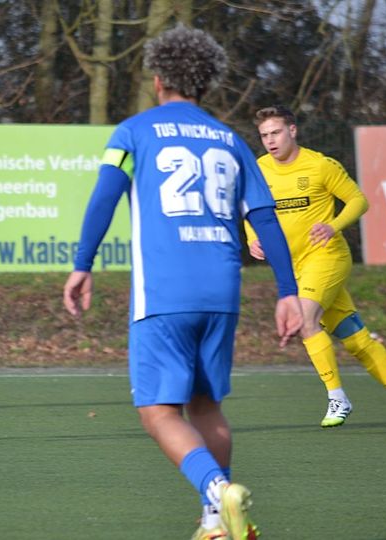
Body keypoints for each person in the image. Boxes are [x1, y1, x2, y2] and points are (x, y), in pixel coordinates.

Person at [62, 25, 302, 540]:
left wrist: (83, 264)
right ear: (206, 83)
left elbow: (104, 197)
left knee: (157, 411)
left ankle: (217, 491)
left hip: (164, 293)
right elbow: (265, 219)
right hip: (222, 292)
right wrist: (288, 292)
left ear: (158, 79)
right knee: (207, 405)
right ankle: (215, 524)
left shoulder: (133, 132)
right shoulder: (232, 141)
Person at [247, 105, 386, 432]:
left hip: (327, 257)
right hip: (293, 267)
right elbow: (250, 209)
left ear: (292, 130)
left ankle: (337, 398)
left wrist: (333, 226)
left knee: (305, 319)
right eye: (264, 135)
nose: (270, 140)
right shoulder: (258, 169)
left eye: (276, 132)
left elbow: (358, 200)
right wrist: (251, 238)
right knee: (355, 339)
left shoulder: (320, 165)